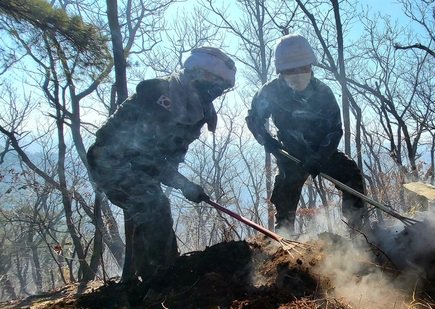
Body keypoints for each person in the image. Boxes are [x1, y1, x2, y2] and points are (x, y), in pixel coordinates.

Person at [87, 47, 236, 280]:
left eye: (223, 87)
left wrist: (184, 183)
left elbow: (172, 157)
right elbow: (143, 154)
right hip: (110, 160)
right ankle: (157, 281)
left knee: (154, 208)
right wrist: (183, 184)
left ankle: (157, 271)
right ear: (196, 73)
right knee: (153, 205)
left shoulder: (200, 112)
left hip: (141, 167)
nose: (217, 90)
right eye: (214, 81)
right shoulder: (156, 94)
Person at [246, 34, 367, 235]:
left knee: (350, 172)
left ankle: (358, 231)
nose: (298, 74)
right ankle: (284, 237)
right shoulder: (271, 92)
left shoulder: (323, 92)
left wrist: (319, 157)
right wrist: (267, 141)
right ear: (281, 70)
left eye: (303, 68)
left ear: (311, 66)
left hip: (323, 151)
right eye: (291, 70)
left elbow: (335, 128)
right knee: (285, 190)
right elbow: (254, 118)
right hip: (289, 153)